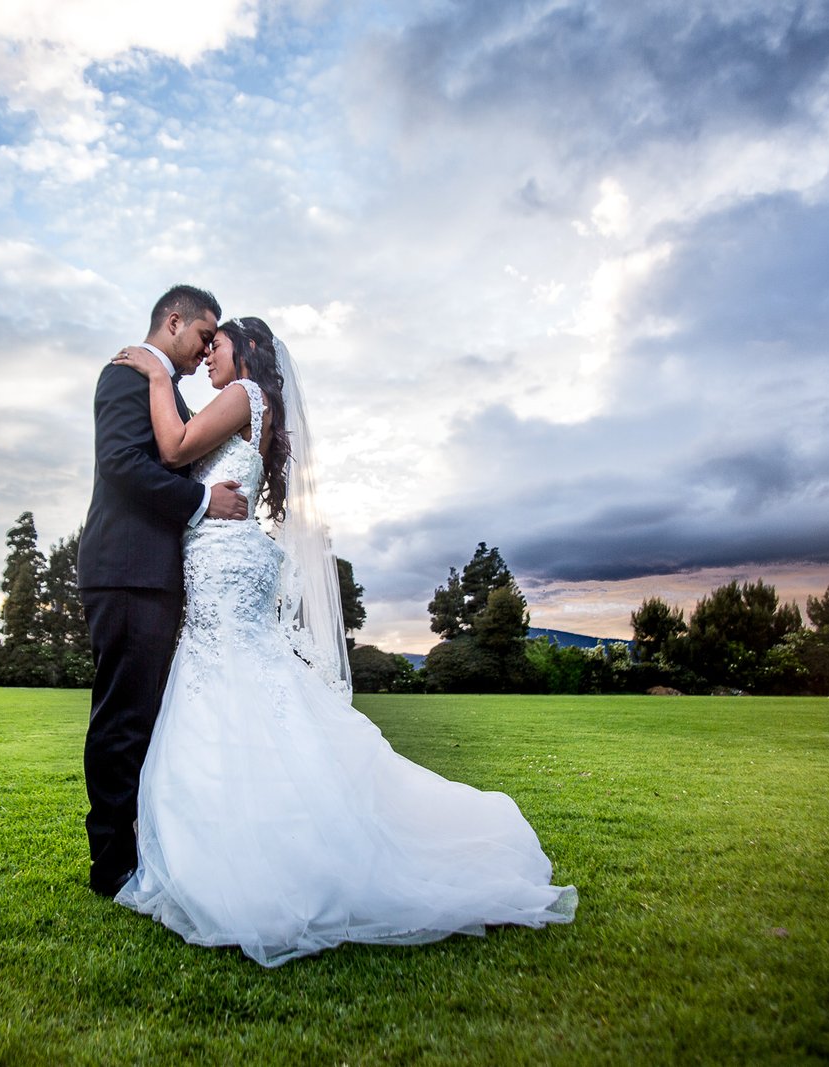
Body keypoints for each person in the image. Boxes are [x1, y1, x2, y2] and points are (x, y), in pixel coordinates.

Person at [107, 316, 577, 967]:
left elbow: (175, 445)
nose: (207, 356)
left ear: (244, 350)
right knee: (239, 685)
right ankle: (257, 832)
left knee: (224, 683)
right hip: (228, 560)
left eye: (215, 346)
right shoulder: (251, 404)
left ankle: (245, 852)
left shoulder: (243, 394)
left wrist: (156, 372)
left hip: (223, 563)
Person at [77, 285, 250, 898]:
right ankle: (111, 866)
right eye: (205, 335)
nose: (207, 350)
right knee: (123, 719)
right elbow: (124, 466)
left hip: (154, 573)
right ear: (173, 321)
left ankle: (139, 848)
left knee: (144, 716)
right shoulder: (126, 376)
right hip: (126, 570)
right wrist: (206, 500)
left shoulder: (162, 387)